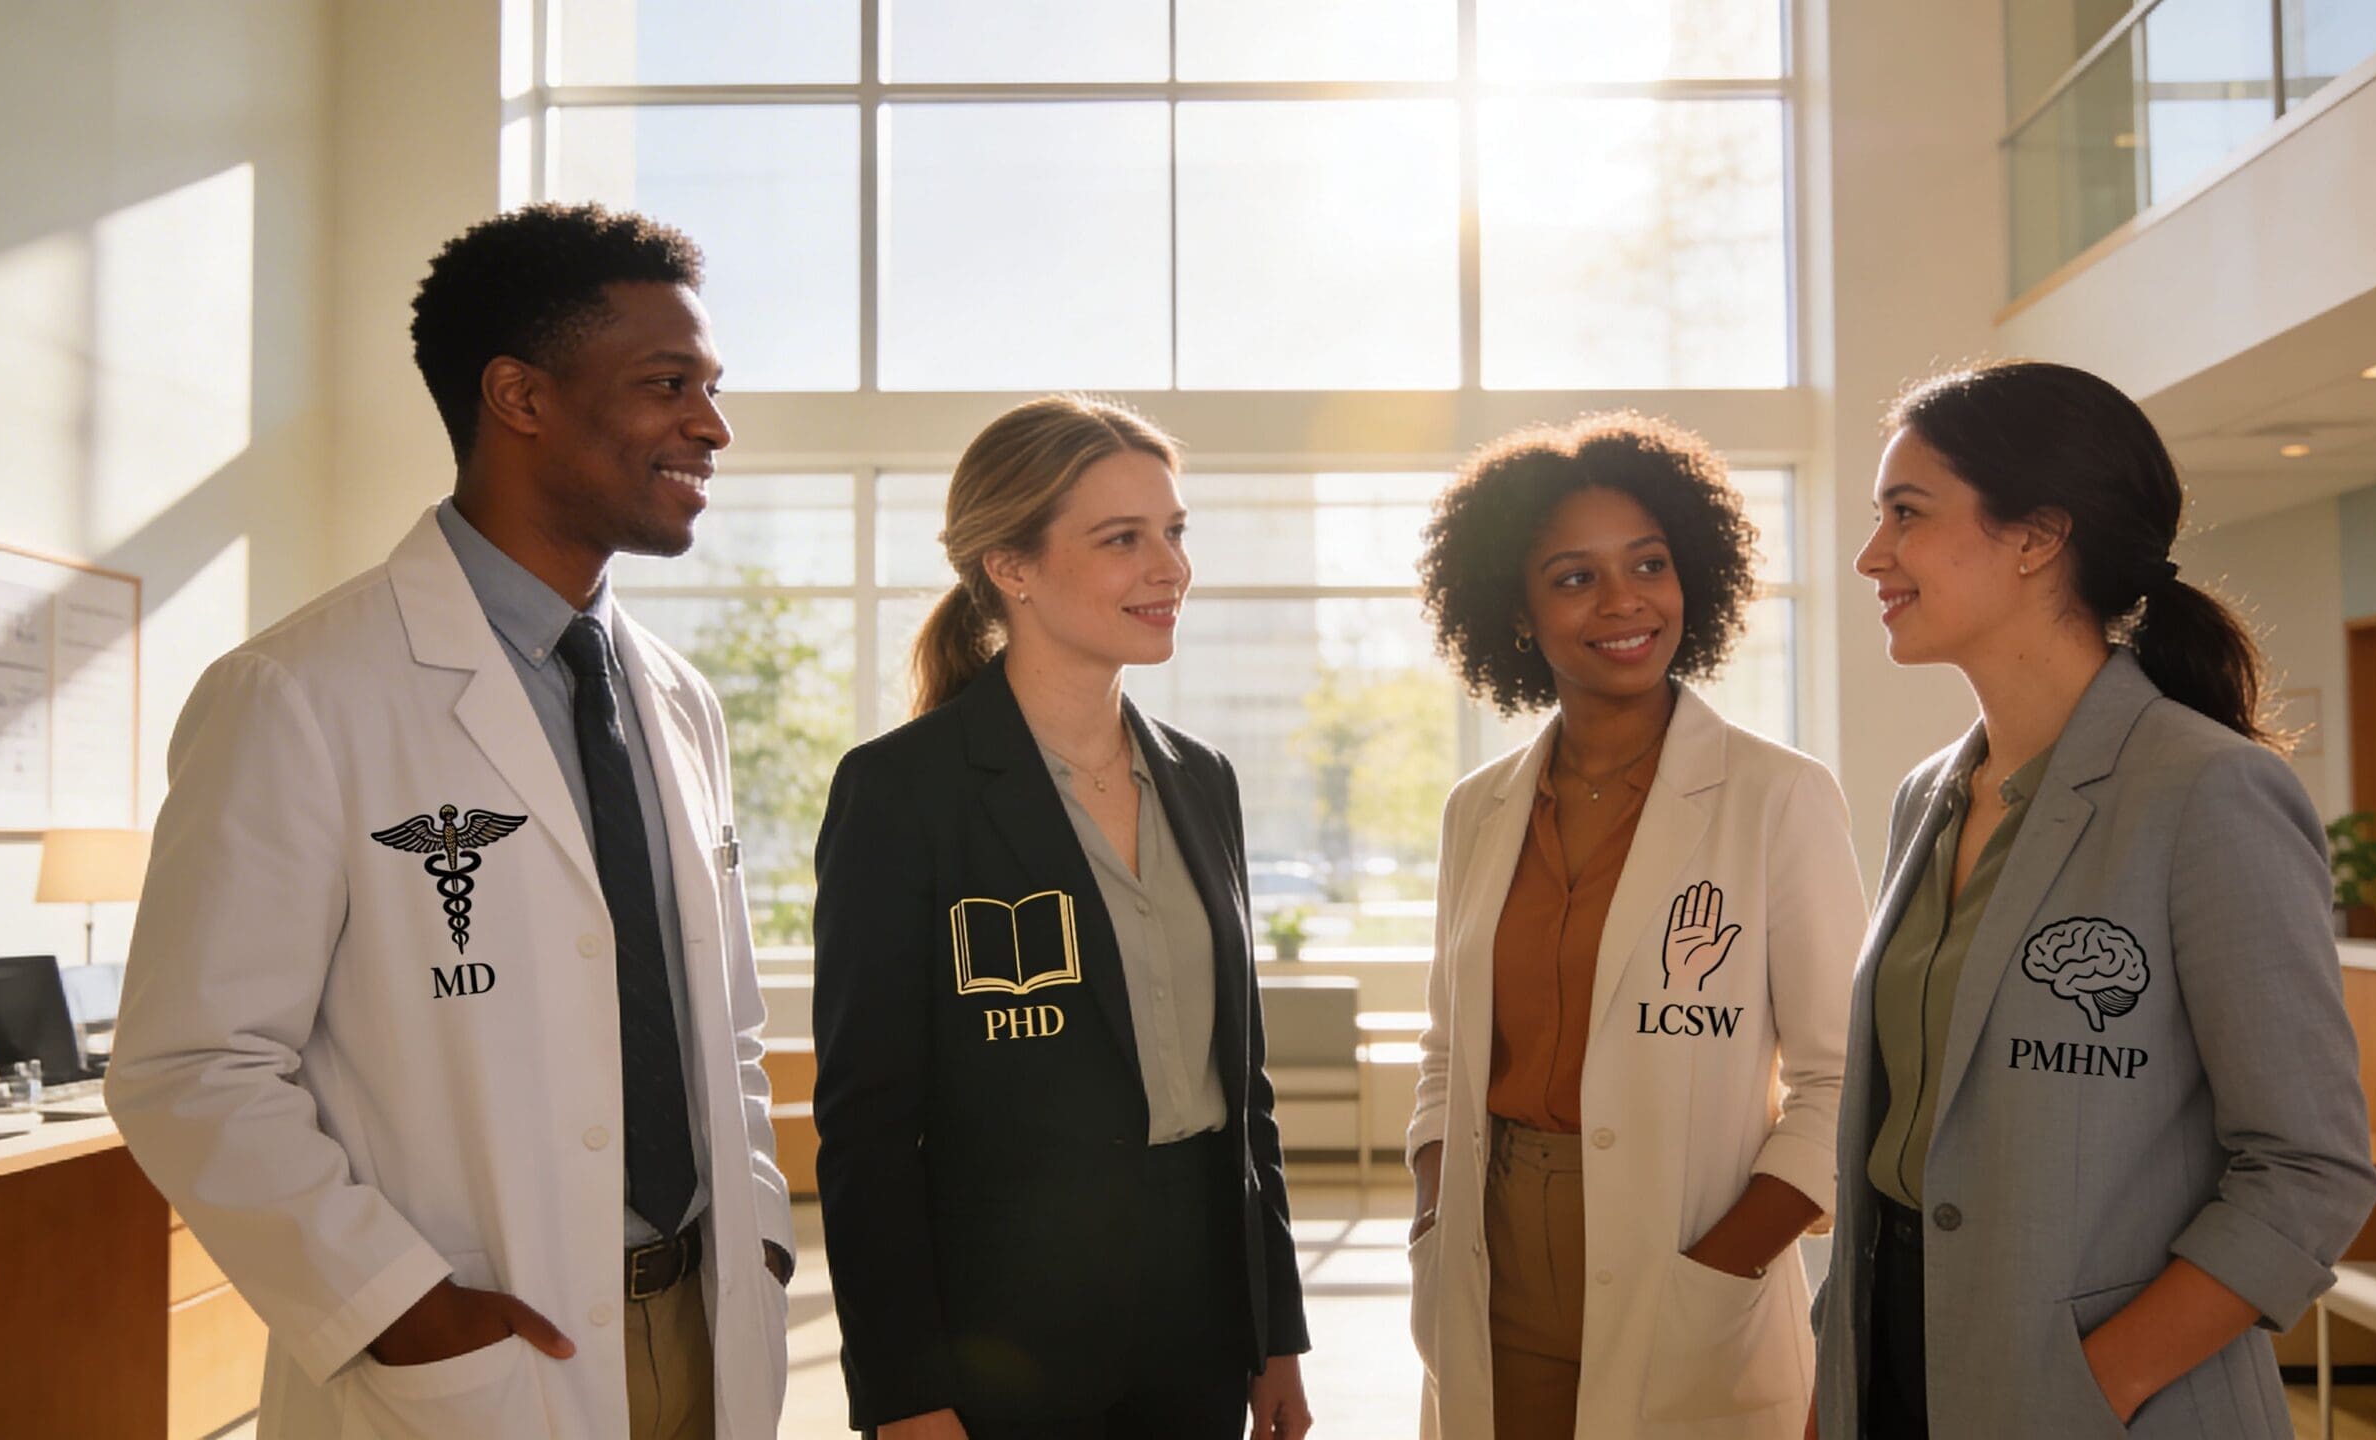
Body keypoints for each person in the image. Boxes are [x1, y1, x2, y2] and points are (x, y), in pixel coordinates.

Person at [107, 203, 794, 1440]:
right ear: (519, 397)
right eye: (667, 384)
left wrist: (762, 1232)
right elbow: (192, 1065)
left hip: (707, 1323)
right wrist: (399, 1309)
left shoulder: (679, 702)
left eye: (712, 388)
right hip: (478, 1354)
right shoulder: (298, 694)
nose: (712, 425)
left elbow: (727, 1020)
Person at [1809, 361, 2376, 1438]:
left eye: (1906, 513)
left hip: (2101, 1396)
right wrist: (1836, 1377)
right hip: (1891, 1358)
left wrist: (2095, 1384)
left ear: (2036, 538)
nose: (1871, 554)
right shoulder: (1928, 797)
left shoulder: (2206, 790)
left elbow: (2309, 1169)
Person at [808, 395, 1313, 1440]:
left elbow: (1244, 1091)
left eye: (1174, 531)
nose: (1169, 568)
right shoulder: (903, 790)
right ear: (1012, 566)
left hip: (1200, 1321)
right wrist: (905, 1393)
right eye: (1123, 539)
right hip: (1003, 1339)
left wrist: (1276, 1332)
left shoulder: (1202, 781)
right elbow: (867, 1130)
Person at [1405, 414, 1868, 1440]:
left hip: (1692, 1252)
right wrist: (1435, 1210)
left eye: (1649, 565)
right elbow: (1447, 1053)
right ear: (1515, 610)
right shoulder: (1477, 811)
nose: (1624, 602)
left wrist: (1727, 1260)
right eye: (1575, 578)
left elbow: (1844, 1080)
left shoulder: (1777, 797)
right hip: (1489, 1254)